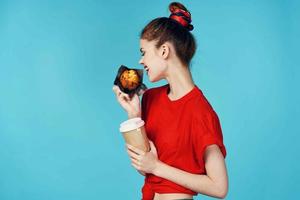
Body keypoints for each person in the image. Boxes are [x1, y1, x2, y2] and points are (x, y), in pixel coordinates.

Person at [113, 2, 228, 200]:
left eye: (144, 52)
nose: (141, 61)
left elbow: (219, 188)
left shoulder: (200, 112)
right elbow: (145, 167)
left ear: (164, 51)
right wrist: (134, 115)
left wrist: (156, 167)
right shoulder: (150, 98)